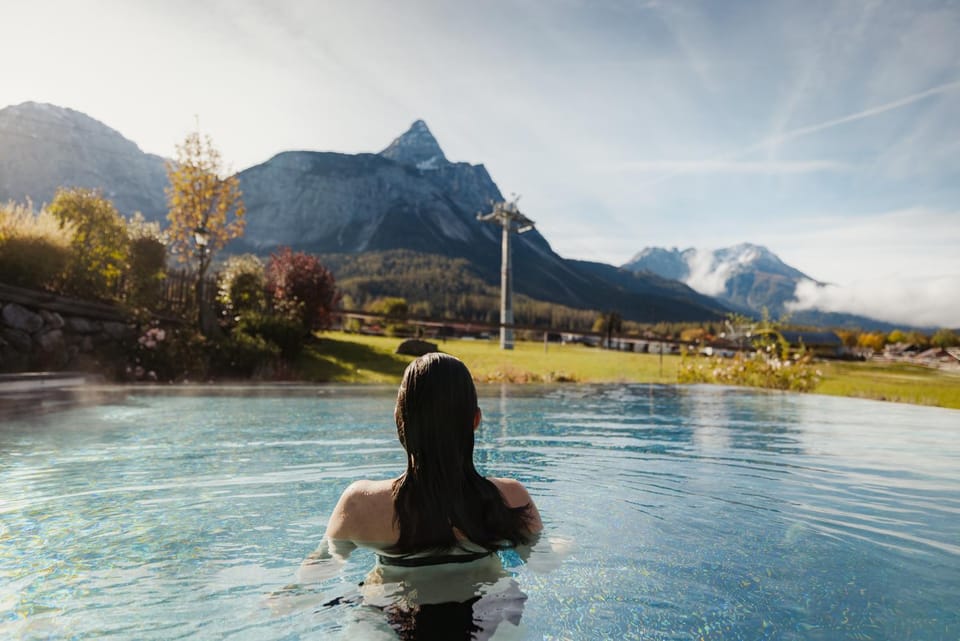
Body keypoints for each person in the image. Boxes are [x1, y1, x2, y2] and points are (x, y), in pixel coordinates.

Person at [297, 352, 543, 638]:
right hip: (490, 614)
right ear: (475, 420)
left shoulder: (360, 503)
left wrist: (288, 593)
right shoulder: (511, 498)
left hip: (389, 613)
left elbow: (317, 571)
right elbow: (544, 562)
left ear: (398, 419)